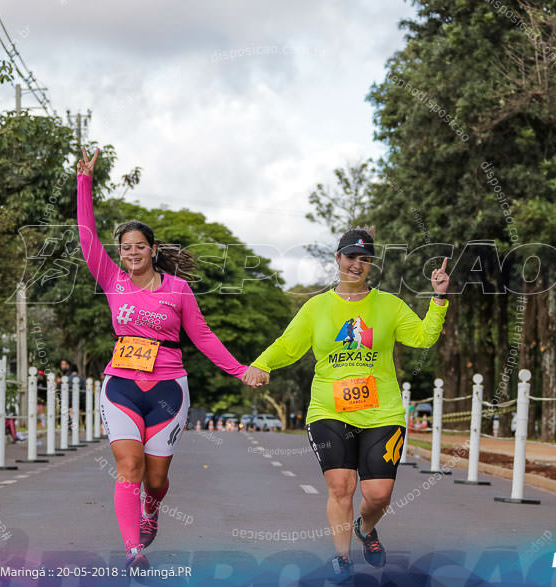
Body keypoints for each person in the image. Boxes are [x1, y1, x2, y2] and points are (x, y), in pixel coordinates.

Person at [76, 147, 254, 570]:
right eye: (125, 247)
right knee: (129, 465)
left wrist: (240, 371)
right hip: (120, 384)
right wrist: (84, 182)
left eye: (139, 246)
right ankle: (133, 549)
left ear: (153, 250)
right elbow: (86, 237)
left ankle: (151, 510)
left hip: (168, 389)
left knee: (155, 479)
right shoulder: (111, 279)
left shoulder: (177, 290)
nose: (132, 253)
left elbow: (204, 335)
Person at [243, 227, 450, 583]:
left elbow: (422, 336)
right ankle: (342, 559)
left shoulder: (389, 305)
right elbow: (287, 345)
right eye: (351, 257)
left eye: (365, 259)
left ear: (370, 265)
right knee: (341, 487)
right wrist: (261, 364)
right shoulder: (316, 307)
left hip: (382, 411)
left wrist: (438, 298)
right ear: (337, 258)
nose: (357, 264)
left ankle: (366, 529)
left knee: (379, 494)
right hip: (329, 410)